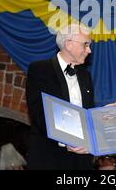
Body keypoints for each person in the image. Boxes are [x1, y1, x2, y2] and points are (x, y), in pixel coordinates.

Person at [26, 23, 95, 170]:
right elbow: (39, 113)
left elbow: (86, 115)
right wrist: (67, 140)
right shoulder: (40, 70)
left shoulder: (85, 75)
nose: (89, 50)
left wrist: (101, 116)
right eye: (85, 44)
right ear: (69, 44)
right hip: (49, 157)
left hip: (81, 160)